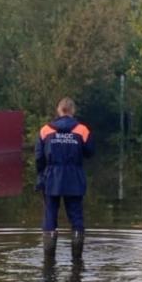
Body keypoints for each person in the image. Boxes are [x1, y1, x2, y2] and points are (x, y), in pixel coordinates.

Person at [35, 97, 94, 256]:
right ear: (72, 111)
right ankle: (77, 260)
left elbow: (39, 158)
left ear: (58, 110)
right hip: (74, 177)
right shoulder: (82, 130)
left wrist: (41, 177)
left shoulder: (45, 130)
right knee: (76, 218)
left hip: (52, 178)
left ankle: (48, 261)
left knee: (50, 217)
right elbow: (90, 153)